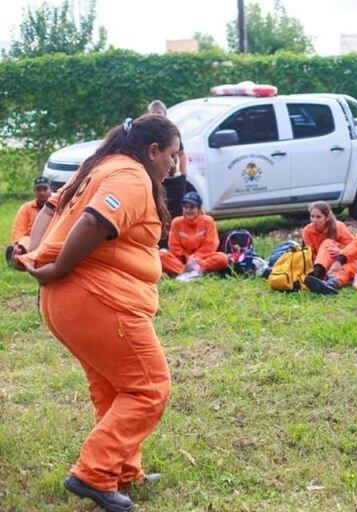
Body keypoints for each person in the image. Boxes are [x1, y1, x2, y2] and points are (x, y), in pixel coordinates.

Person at [15, 115, 178, 511]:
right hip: (99, 299)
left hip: (67, 301)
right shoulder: (131, 176)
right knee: (148, 388)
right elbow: (93, 221)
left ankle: (122, 469)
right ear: (152, 150)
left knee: (113, 387)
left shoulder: (98, 166)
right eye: (172, 156)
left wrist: (40, 259)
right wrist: (55, 265)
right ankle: (95, 472)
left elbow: (49, 209)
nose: (173, 166)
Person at [159, 191, 228, 278]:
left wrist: (195, 258)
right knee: (160, 256)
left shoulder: (208, 221)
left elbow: (211, 244)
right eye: (185, 207)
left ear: (199, 209)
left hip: (202, 260)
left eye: (192, 207)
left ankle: (192, 272)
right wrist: (187, 257)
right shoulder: (176, 222)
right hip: (182, 261)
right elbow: (173, 246)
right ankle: (187, 273)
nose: (188, 210)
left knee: (222, 258)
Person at [148, 100, 187, 220]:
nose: (158, 116)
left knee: (175, 208)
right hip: (156, 176)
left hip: (172, 176)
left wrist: (183, 174)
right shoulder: (148, 133)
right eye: (155, 114)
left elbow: (181, 154)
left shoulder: (173, 132)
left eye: (160, 113)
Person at [302, 201, 354, 279]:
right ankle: (319, 273)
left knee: (327, 243)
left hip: (339, 261)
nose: (314, 220)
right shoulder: (307, 230)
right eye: (312, 216)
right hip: (318, 263)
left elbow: (354, 247)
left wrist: (341, 252)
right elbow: (309, 254)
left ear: (327, 217)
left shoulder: (339, 227)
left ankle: (317, 274)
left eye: (318, 217)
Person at [6, 177, 52, 263]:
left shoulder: (58, 206)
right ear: (34, 192)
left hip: (50, 238)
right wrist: (17, 243)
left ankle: (21, 256)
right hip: (30, 241)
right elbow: (19, 229)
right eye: (38, 190)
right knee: (25, 241)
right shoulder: (26, 208)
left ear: (51, 190)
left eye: (45, 189)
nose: (42, 193)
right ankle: (18, 252)